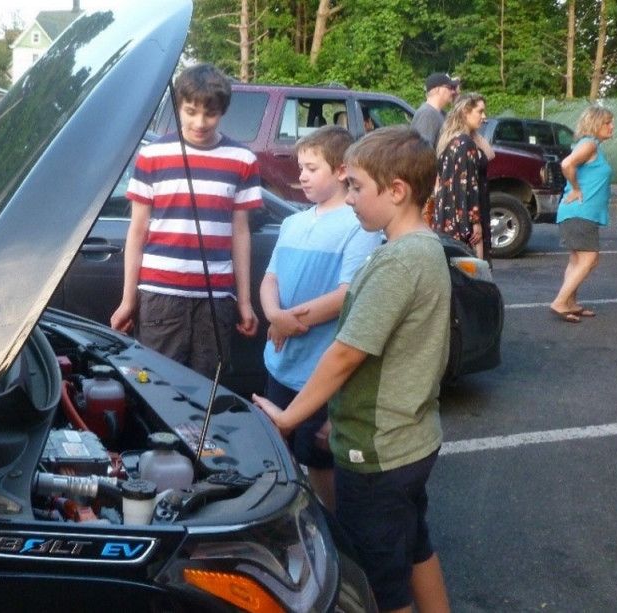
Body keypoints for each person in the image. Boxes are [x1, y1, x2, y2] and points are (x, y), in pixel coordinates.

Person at [252, 126, 452, 613]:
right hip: (410, 441)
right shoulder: (424, 249)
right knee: (414, 545)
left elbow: (345, 354)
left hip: (378, 454)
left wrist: (288, 417)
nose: (352, 197)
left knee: (381, 578)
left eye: (358, 187)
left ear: (397, 191)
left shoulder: (397, 263)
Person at [110, 63, 261, 378]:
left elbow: (240, 233)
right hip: (159, 296)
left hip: (216, 297)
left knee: (208, 388)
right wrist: (128, 299)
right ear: (178, 106)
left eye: (210, 113)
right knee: (156, 385)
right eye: (190, 111)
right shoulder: (152, 156)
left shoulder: (243, 160)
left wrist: (244, 301)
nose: (200, 122)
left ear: (223, 111)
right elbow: (137, 231)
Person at [260, 126, 382, 514]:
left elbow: (347, 293)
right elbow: (270, 278)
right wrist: (274, 316)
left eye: (312, 168)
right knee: (280, 447)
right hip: (281, 363)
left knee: (319, 456)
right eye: (301, 167)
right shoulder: (294, 222)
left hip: (319, 368)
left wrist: (289, 321)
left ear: (342, 170)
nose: (302, 176)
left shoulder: (357, 225)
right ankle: (291, 517)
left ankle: (330, 527)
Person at [549, 106, 614, 323]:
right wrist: (576, 188)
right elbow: (567, 164)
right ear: (595, 123)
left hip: (579, 213)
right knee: (590, 258)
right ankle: (560, 301)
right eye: (607, 122)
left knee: (577, 259)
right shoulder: (589, 144)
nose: (611, 126)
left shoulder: (590, 145)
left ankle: (570, 303)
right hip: (580, 212)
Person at [431, 93, 492, 260]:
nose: (484, 117)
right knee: (476, 276)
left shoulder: (451, 141)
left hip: (448, 217)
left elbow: (490, 154)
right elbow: (467, 185)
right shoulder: (465, 144)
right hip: (464, 220)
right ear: (466, 111)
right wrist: (475, 223)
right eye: (480, 111)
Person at [410, 72, 460, 148]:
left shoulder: (440, 113)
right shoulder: (427, 114)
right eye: (450, 87)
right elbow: (422, 152)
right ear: (437, 89)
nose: (453, 92)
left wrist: (457, 98)